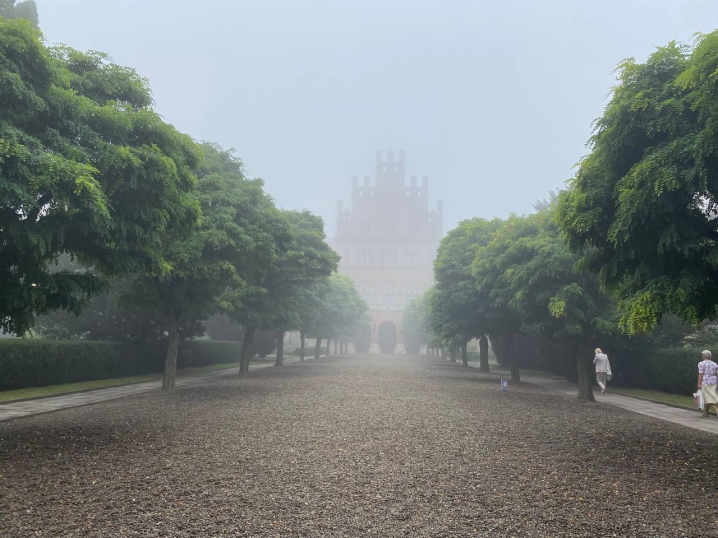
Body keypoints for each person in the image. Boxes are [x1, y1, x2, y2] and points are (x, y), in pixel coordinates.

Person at [697, 350, 718, 418]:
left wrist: (699, 384)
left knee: (709, 397)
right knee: (710, 396)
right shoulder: (714, 364)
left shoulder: (701, 364)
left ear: (703, 356)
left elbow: (700, 374)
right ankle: (706, 412)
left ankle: (717, 410)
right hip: (714, 381)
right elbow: (716, 373)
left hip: (705, 381)